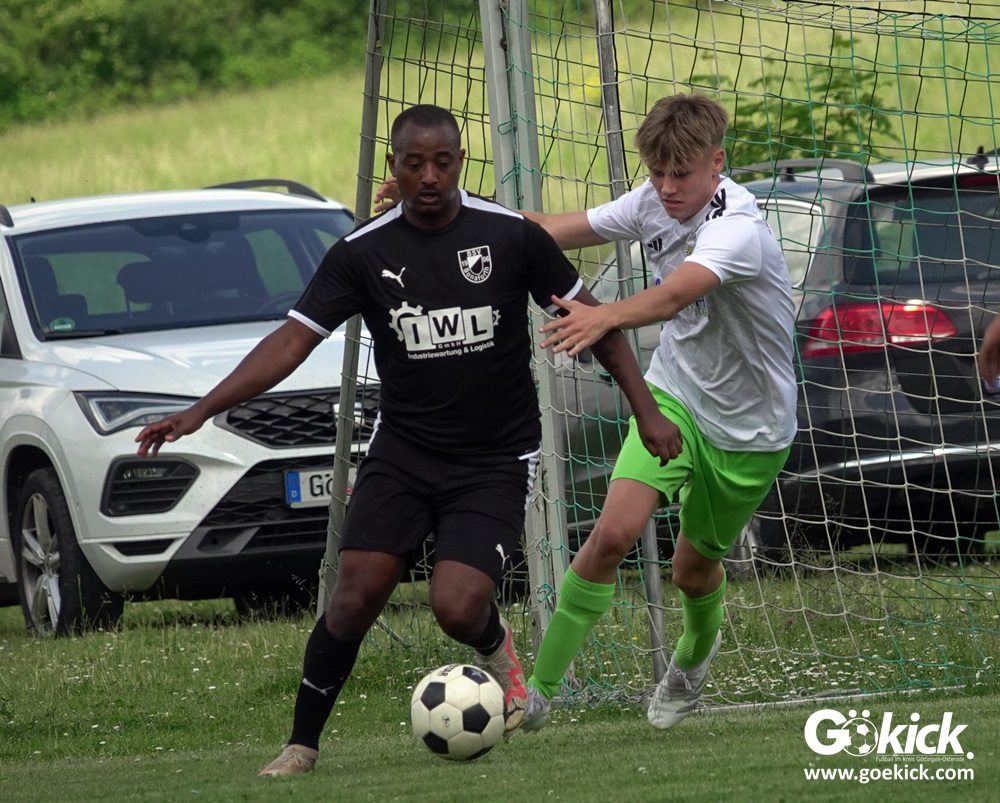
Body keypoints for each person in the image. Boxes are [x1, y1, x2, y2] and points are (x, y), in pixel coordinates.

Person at [135, 103, 678, 776]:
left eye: (442, 162)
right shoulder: (363, 251)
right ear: (393, 165)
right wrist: (199, 411)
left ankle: (497, 649)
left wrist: (645, 412)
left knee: (456, 605)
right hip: (404, 452)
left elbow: (598, 324)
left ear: (460, 162)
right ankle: (301, 744)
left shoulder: (510, 236)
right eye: (414, 163)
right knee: (355, 595)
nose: (429, 176)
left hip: (496, 455)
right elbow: (291, 341)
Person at [514, 93, 798, 731]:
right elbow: (549, 227)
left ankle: (691, 663)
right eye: (657, 172)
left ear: (716, 163)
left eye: (681, 174)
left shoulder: (738, 228)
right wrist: (449, 210)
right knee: (613, 534)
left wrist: (603, 316)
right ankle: (538, 692)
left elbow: (672, 297)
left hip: (751, 429)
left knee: (692, 574)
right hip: (675, 395)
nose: (667, 188)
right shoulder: (650, 200)